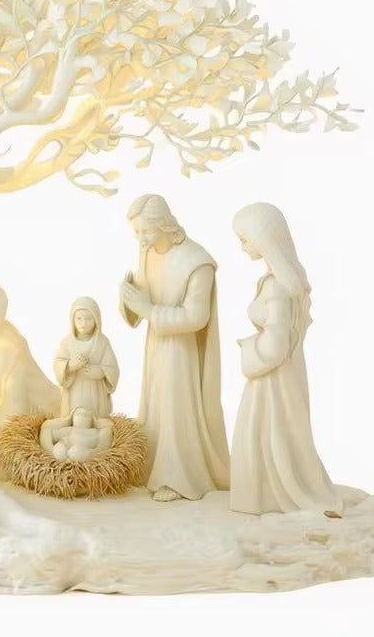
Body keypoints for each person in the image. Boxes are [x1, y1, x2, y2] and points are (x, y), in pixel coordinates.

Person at [228, 203, 343, 517]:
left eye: (245, 239)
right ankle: (269, 491)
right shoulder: (283, 279)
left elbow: (275, 346)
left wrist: (247, 350)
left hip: (273, 378)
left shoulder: (277, 287)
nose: (242, 246)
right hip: (283, 374)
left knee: (269, 434)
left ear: (263, 239)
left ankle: (270, 495)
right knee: (278, 434)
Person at [118, 194, 230, 501]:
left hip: (181, 350)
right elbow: (143, 298)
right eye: (136, 232)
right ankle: (151, 467)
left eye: (146, 231)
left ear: (164, 224)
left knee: (174, 408)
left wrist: (148, 309)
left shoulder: (197, 261)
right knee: (155, 405)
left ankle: (178, 477)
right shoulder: (147, 251)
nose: (140, 239)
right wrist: (128, 297)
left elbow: (197, 316)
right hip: (156, 344)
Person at [52, 297, 119, 419]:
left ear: (96, 320)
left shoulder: (102, 342)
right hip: (74, 393)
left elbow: (113, 368)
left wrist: (101, 371)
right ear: (72, 320)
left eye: (88, 319)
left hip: (96, 393)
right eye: (79, 319)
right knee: (75, 419)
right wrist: (71, 366)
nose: (83, 323)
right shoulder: (67, 342)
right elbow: (57, 364)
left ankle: (97, 427)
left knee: (98, 420)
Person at [39, 407, 114, 461]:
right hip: (64, 448)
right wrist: (51, 449)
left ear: (91, 420)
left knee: (75, 452)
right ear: (72, 418)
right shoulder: (68, 429)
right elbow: (47, 429)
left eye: (85, 415)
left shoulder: (93, 431)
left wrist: (94, 452)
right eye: (78, 414)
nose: (81, 416)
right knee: (60, 451)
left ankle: (78, 455)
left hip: (82, 450)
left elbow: (107, 427)